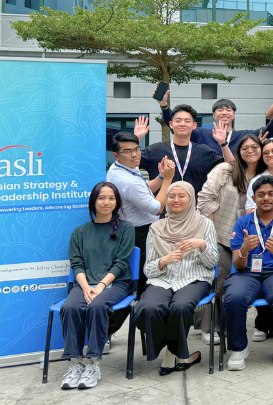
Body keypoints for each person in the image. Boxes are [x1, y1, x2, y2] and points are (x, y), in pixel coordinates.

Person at [59, 182, 134, 390]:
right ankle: (75, 363)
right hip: (85, 284)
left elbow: (122, 262)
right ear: (93, 202)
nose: (106, 202)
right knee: (70, 307)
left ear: (117, 202)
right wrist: (85, 287)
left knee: (98, 306)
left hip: (115, 283)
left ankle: (93, 363)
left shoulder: (126, 228)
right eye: (101, 198)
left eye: (111, 198)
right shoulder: (79, 232)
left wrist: (100, 286)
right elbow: (77, 264)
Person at [137, 182, 218, 374]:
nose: (176, 200)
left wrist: (202, 245)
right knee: (148, 307)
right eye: (171, 196)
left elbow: (212, 263)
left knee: (180, 306)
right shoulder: (156, 228)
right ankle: (180, 353)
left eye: (182, 196)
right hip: (162, 279)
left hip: (195, 277)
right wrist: (163, 261)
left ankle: (170, 355)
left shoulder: (205, 224)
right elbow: (148, 269)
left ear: (191, 199)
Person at [224, 174, 273, 370]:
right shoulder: (243, 223)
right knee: (233, 297)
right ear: (254, 198)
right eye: (261, 195)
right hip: (247, 273)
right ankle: (239, 348)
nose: (266, 198)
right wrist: (244, 250)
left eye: (271, 194)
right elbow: (238, 265)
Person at [196, 133, 265, 345]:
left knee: (242, 283)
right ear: (238, 151)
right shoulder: (225, 170)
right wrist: (212, 233)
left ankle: (236, 325)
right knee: (219, 280)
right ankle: (210, 327)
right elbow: (204, 199)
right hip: (221, 234)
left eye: (255, 147)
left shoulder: (264, 175)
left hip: (251, 239)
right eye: (245, 148)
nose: (250, 151)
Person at [107, 130, 174, 296]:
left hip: (130, 229)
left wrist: (160, 177)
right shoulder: (127, 181)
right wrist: (168, 179)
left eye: (137, 149)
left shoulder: (120, 167)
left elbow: (143, 192)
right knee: (144, 279)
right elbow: (157, 208)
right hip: (140, 233)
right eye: (127, 151)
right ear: (116, 155)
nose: (135, 155)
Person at [139, 104, 223, 194]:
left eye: (187, 121)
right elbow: (129, 162)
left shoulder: (204, 152)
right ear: (171, 124)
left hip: (196, 203)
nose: (182, 124)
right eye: (178, 121)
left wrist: (223, 143)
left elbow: (230, 167)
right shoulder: (155, 150)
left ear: (194, 125)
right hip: (162, 202)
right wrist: (137, 138)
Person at [157, 92, 271, 158]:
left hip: (235, 181)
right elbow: (179, 127)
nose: (224, 113)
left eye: (228, 110)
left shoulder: (243, 136)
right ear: (214, 115)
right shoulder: (201, 133)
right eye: (220, 110)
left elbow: (270, 130)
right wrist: (164, 106)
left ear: (234, 115)